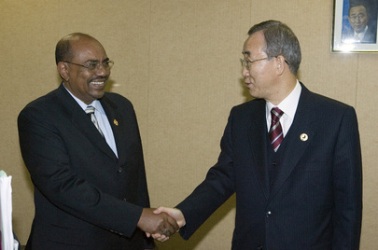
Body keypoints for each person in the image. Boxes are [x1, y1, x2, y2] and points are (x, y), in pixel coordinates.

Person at [154, 20, 363, 249]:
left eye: (249, 61)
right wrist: (184, 213)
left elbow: (348, 210)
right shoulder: (241, 119)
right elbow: (223, 178)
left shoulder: (335, 119)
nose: (244, 71)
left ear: (279, 63)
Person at [18, 33, 178, 250]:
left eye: (105, 63)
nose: (102, 72)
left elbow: (135, 180)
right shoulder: (40, 116)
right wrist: (137, 217)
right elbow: (62, 185)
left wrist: (145, 238)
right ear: (64, 70)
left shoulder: (122, 107)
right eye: (91, 65)